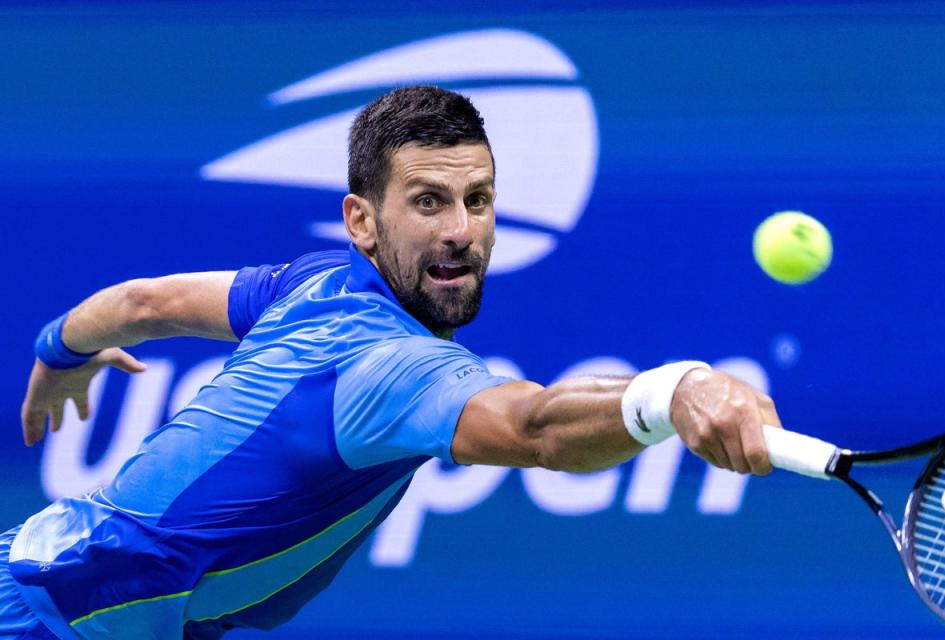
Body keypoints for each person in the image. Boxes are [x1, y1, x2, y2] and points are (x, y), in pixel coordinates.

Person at [5, 86, 782, 640]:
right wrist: (673, 390)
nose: (460, 231)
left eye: (478, 200)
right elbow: (537, 428)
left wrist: (58, 350)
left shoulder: (313, 282)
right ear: (362, 220)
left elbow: (146, 304)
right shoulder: (387, 368)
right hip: (59, 615)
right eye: (427, 202)